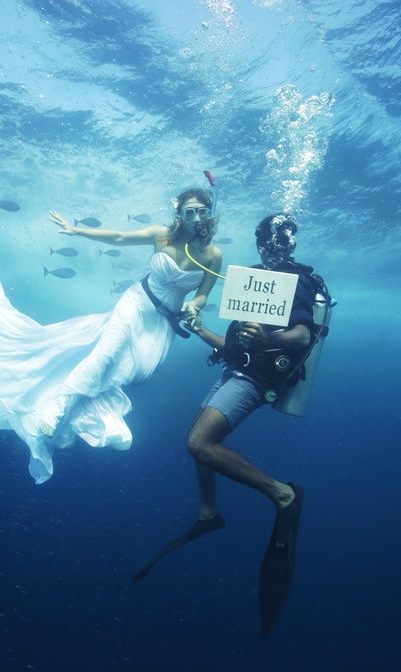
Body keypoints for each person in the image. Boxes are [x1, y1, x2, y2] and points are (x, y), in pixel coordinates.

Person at [0, 187, 223, 484]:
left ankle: (85, 414)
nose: (196, 216)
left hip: (161, 324)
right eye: (189, 211)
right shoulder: (161, 236)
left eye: (202, 211)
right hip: (135, 304)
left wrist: (194, 307)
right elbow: (118, 236)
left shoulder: (211, 254)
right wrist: (77, 231)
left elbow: (202, 295)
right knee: (105, 353)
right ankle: (57, 407)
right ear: (179, 213)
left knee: (131, 373)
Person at [134, 213, 322, 638]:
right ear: (260, 242)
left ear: (290, 243)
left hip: (260, 380)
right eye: (267, 238)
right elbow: (236, 346)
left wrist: (268, 340)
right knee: (203, 437)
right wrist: (201, 329)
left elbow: (300, 338)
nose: (274, 245)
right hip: (236, 372)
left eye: (281, 238)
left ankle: (283, 494)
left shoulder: (299, 283)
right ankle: (209, 511)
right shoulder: (252, 280)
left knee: (200, 444)